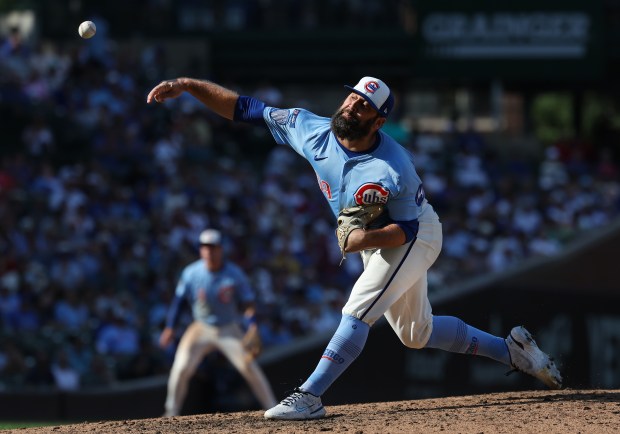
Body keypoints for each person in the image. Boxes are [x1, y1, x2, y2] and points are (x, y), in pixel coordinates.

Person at [147, 76, 563, 420]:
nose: (351, 107)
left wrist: (363, 239)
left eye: (364, 106)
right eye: (352, 97)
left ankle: (308, 396)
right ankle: (513, 350)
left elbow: (406, 229)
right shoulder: (310, 128)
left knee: (358, 307)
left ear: (378, 122)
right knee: (417, 334)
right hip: (376, 238)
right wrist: (187, 86)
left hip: (413, 236)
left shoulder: (394, 166)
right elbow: (245, 108)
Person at [158, 228, 277, 417]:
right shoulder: (191, 273)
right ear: (200, 250)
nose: (209, 251)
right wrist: (170, 327)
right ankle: (170, 412)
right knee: (181, 368)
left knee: (248, 367)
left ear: (221, 249)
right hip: (201, 327)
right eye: (205, 247)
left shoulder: (234, 274)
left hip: (228, 328)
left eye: (212, 247)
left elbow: (248, 304)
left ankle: (272, 407)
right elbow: (178, 302)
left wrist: (252, 324)